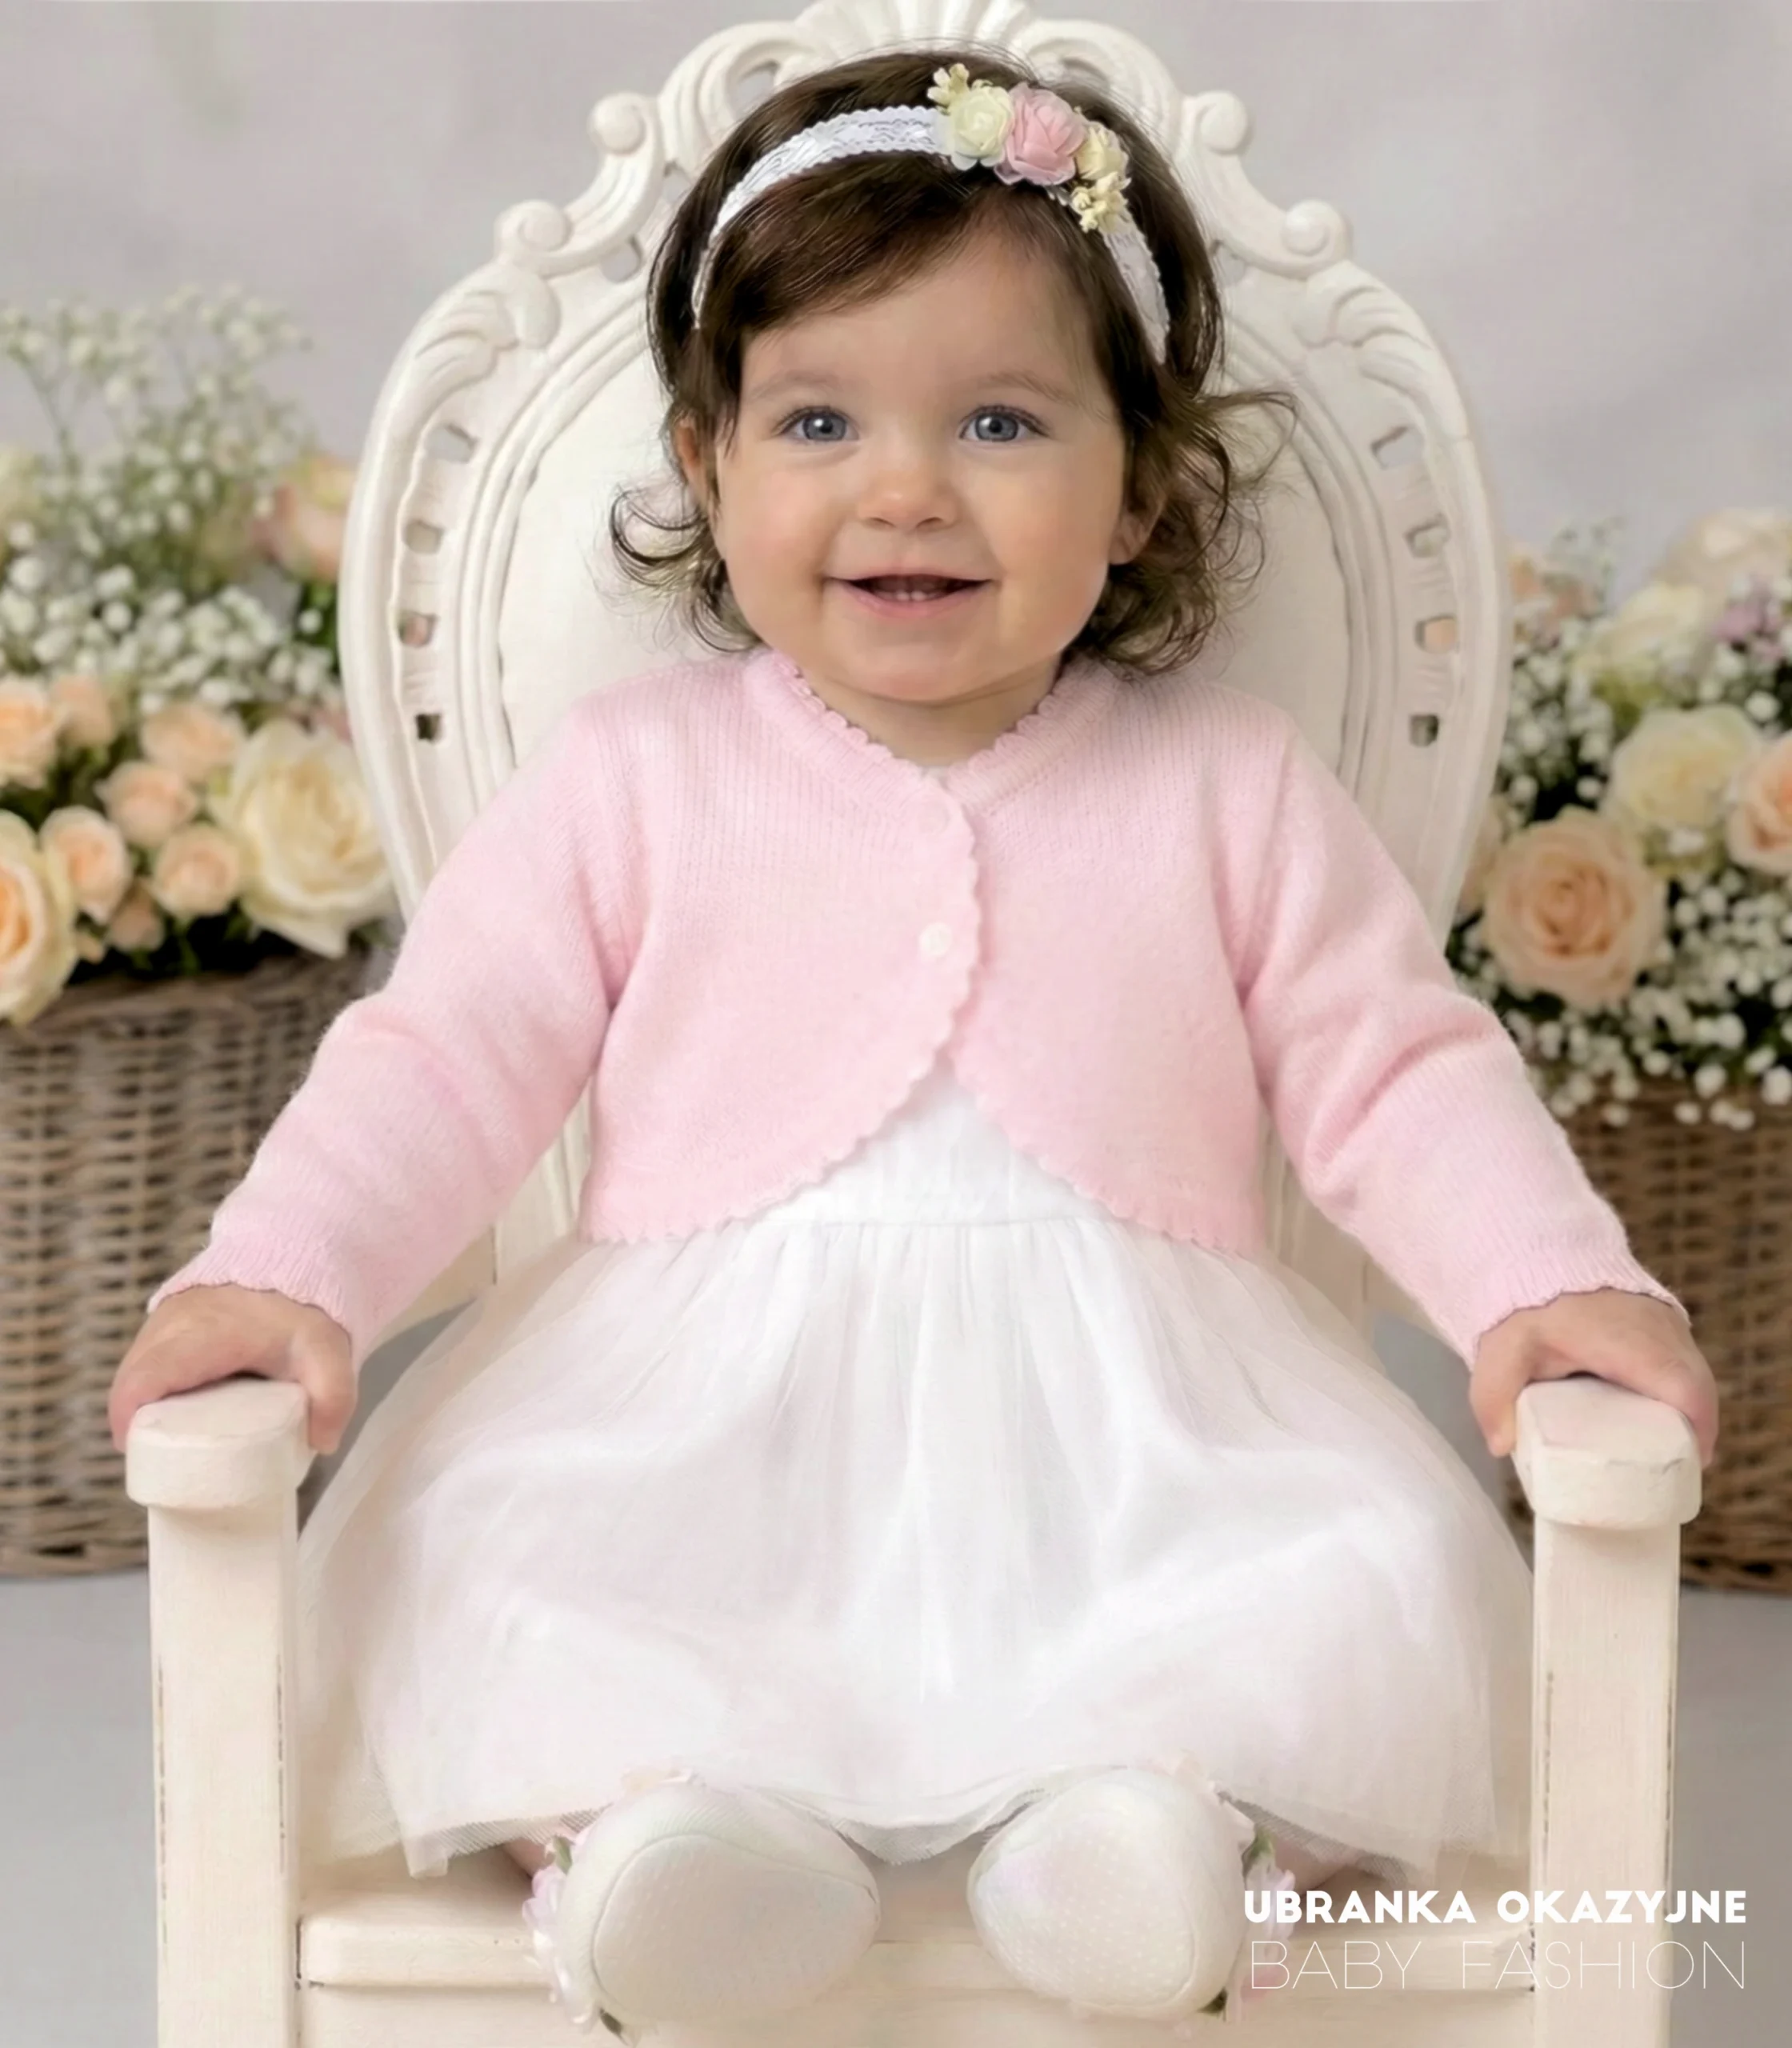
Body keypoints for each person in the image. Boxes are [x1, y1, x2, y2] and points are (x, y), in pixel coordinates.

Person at [108, 45, 1718, 2041]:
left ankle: (1147, 1833)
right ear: (707, 466)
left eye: (999, 421)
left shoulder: (1222, 782)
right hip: (700, 1407)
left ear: (1137, 489)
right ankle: (671, 1841)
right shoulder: (637, 777)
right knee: (504, 1555)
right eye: (817, 419)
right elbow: (445, 1054)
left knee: (1343, 1563)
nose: (906, 489)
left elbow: (1393, 1067)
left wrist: (1543, 1281)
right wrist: (285, 1271)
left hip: (1141, 1422)